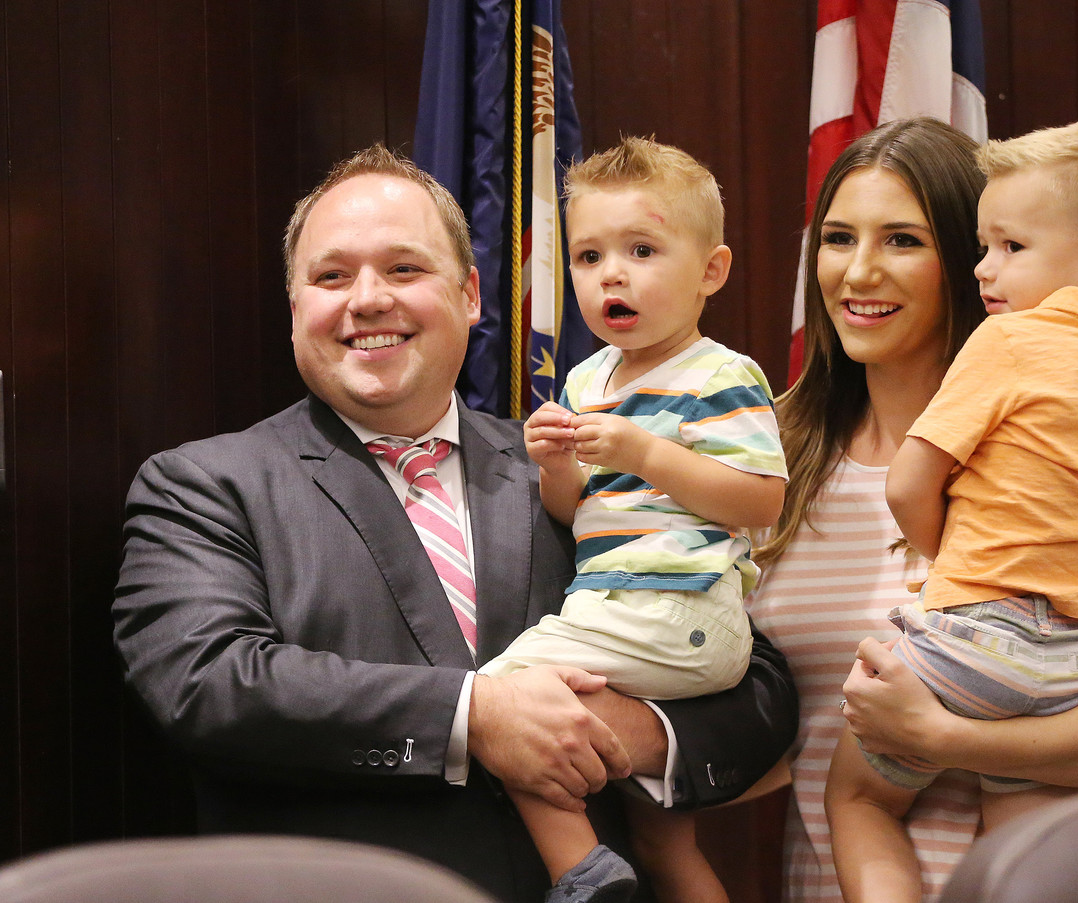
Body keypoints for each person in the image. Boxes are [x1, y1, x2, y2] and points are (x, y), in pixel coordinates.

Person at [111, 144, 799, 903]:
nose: (367, 299)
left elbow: (756, 684)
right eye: (331, 276)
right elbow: (207, 685)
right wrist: (477, 716)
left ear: (472, 293)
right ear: (295, 303)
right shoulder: (204, 486)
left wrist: (624, 731)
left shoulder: (571, 459)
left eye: (404, 269)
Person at [745, 117, 1078, 903]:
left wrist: (948, 738)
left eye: (901, 240)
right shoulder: (760, 456)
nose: (859, 272)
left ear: (971, 259)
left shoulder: (1054, 457)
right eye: (836, 238)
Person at [480, 137, 787, 903]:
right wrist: (557, 466)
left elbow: (760, 500)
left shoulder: (721, 373)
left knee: (499, 697)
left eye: (642, 249)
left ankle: (579, 872)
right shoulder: (588, 378)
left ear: (711, 271)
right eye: (588, 257)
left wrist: (647, 452)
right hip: (621, 607)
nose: (611, 273)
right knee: (662, 835)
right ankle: (609, 867)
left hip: (681, 609)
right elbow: (576, 509)